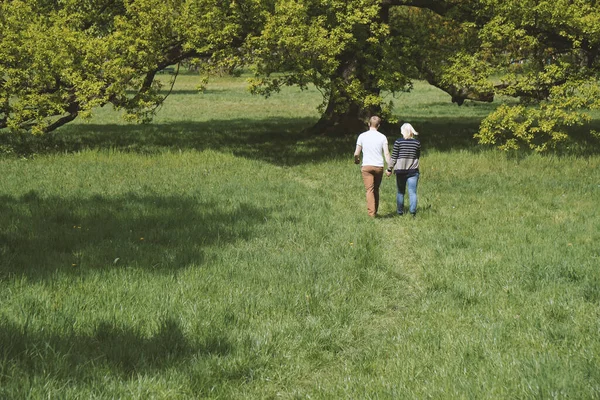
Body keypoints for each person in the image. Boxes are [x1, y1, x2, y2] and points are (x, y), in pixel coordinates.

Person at [354, 116, 392, 217]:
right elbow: (387, 154)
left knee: (369, 190)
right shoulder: (382, 137)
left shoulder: (362, 136)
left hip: (366, 166)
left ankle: (371, 214)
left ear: (368, 124)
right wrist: (390, 167)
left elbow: (356, 153)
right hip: (378, 166)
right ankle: (375, 211)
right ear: (378, 125)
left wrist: (357, 160)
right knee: (376, 189)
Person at [386, 123, 421, 217]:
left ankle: (400, 212)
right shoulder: (417, 143)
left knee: (400, 192)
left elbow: (394, 157)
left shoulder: (398, 142)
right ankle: (413, 212)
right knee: (412, 192)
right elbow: (417, 156)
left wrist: (389, 169)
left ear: (402, 131)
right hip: (413, 171)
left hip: (400, 171)